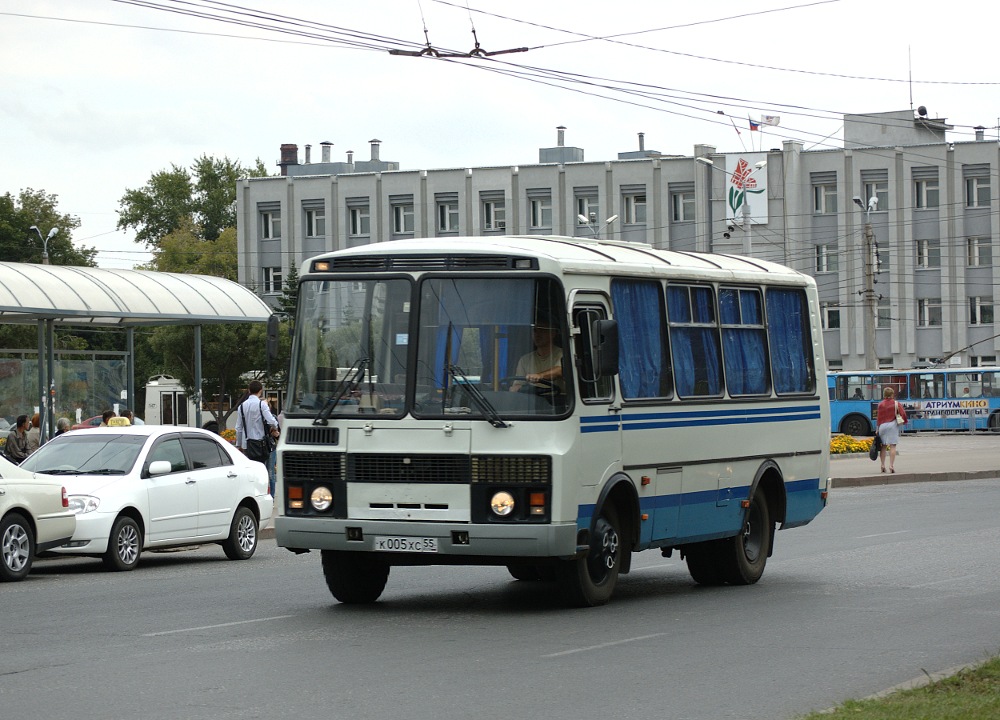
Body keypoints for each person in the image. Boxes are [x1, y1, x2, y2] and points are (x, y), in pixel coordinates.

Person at [510, 318, 564, 393]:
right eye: (535, 330)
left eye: (542, 330)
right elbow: (518, 384)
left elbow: (559, 370)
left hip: (558, 401)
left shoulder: (562, 354)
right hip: (532, 402)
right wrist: (515, 388)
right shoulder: (525, 359)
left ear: (553, 333)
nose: (537, 335)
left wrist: (540, 376)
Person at [235, 380, 280, 465]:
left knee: (249, 468)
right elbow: (271, 421)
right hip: (260, 444)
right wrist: (275, 427)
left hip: (246, 444)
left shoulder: (241, 406)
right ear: (261, 390)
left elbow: (238, 428)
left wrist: (238, 445)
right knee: (261, 468)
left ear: (249, 390)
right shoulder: (262, 405)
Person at [876, 387, 908, 474]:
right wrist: (904, 421)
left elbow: (878, 418)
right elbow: (903, 414)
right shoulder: (896, 403)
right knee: (893, 446)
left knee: (883, 446)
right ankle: (891, 465)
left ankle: (882, 465)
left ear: (884, 394)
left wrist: (877, 429)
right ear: (892, 394)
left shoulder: (880, 404)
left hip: (882, 426)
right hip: (892, 425)